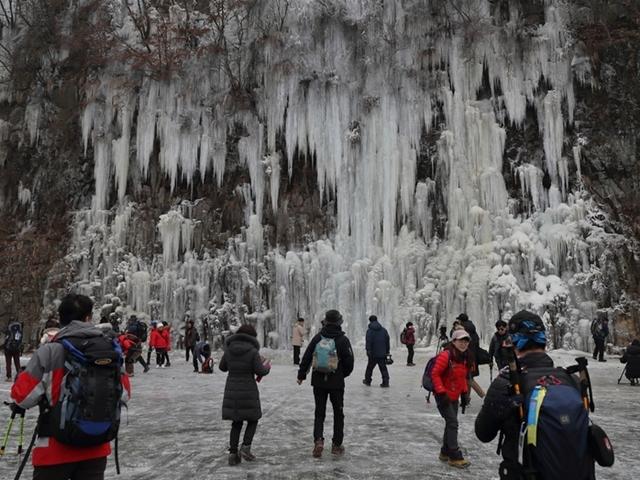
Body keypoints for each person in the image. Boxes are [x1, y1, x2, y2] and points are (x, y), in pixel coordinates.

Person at [10, 293, 131, 480]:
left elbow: (23, 397)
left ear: (60, 318)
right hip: (96, 448)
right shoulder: (107, 348)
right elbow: (124, 394)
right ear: (89, 317)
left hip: (54, 449)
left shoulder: (50, 351)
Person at [475, 310, 596, 480]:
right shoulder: (571, 379)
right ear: (544, 341)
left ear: (514, 342)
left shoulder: (507, 383)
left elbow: (483, 433)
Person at [297, 309, 354, 457]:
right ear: (339, 322)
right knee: (338, 413)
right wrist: (341, 374)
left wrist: (302, 374)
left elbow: (307, 356)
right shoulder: (343, 340)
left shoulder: (318, 338)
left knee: (319, 412)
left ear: (326, 322)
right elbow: (349, 362)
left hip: (318, 382)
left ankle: (318, 440)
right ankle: (336, 445)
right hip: (336, 383)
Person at [219, 324, 271, 465]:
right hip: (248, 389)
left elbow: (222, 367)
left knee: (236, 422)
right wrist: (267, 366)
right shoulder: (253, 352)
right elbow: (260, 371)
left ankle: (233, 453)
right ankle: (246, 447)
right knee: (253, 419)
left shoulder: (229, 349)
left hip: (231, 389)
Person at [432, 329, 472, 468]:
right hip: (443, 396)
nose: (463, 343)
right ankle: (454, 455)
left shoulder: (465, 357)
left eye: (466, 341)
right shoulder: (445, 355)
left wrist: (465, 393)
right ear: (453, 341)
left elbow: (463, 377)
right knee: (453, 423)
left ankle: (445, 451)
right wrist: (441, 392)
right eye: (460, 340)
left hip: (454, 395)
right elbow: (435, 374)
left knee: (451, 422)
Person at [363, 315, 391, 387]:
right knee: (383, 368)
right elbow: (387, 341)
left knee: (369, 368)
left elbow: (368, 341)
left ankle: (367, 380)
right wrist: (387, 351)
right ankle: (386, 382)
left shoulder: (369, 331)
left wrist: (368, 351)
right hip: (382, 353)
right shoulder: (384, 330)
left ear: (370, 321)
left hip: (373, 353)